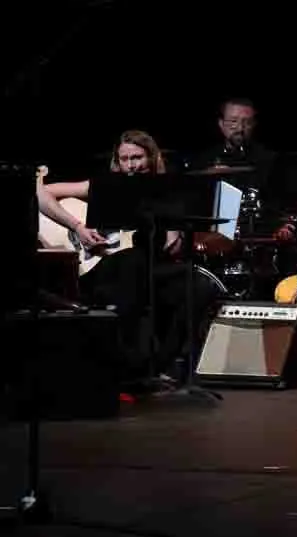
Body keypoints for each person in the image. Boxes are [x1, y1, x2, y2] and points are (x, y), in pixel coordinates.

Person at [37, 131, 203, 381]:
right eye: (124, 159)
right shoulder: (104, 185)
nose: (131, 165)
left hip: (149, 268)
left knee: (198, 286)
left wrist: (173, 232)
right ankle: (123, 365)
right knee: (132, 261)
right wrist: (77, 227)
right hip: (103, 268)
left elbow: (174, 243)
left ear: (152, 157)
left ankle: (157, 366)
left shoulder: (166, 191)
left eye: (137, 157)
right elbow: (39, 193)